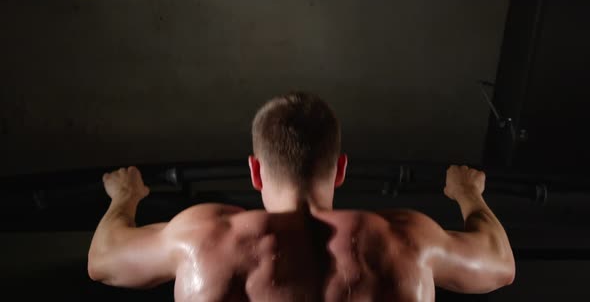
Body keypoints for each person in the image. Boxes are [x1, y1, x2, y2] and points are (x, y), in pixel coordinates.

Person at [88, 92, 515, 301]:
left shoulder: (201, 237)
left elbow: (103, 261)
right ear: (341, 168)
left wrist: (125, 197)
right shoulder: (407, 239)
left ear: (254, 171)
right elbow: (499, 265)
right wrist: (468, 196)